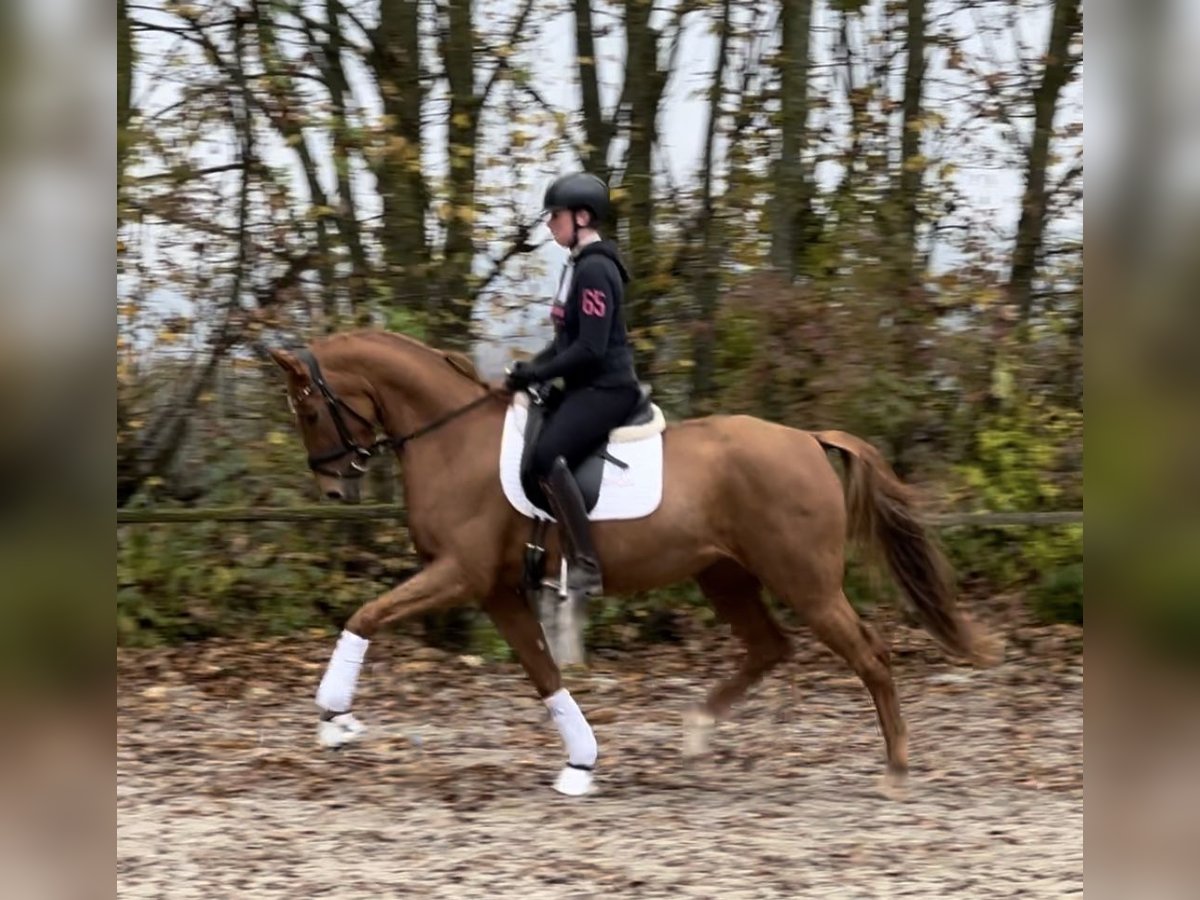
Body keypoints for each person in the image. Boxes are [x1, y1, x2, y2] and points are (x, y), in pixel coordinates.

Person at [505, 172, 642, 603]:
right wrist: (532, 367)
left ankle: (586, 565)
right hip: (586, 386)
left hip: (607, 390)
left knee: (546, 458)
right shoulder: (578, 265)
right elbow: (565, 341)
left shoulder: (596, 269)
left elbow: (591, 348)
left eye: (556, 216)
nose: (550, 224)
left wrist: (538, 376)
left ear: (583, 217)